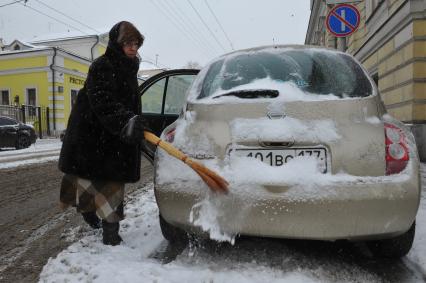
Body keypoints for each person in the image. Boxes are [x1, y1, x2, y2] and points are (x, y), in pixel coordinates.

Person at [58, 21, 146, 246]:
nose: (133, 48)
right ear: (117, 44)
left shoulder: (130, 66)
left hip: (113, 138)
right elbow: (103, 102)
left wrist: (133, 123)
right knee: (91, 184)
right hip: (92, 136)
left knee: (112, 186)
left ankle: (109, 232)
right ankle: (97, 223)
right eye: (128, 43)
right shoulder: (102, 66)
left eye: (136, 43)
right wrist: (126, 121)